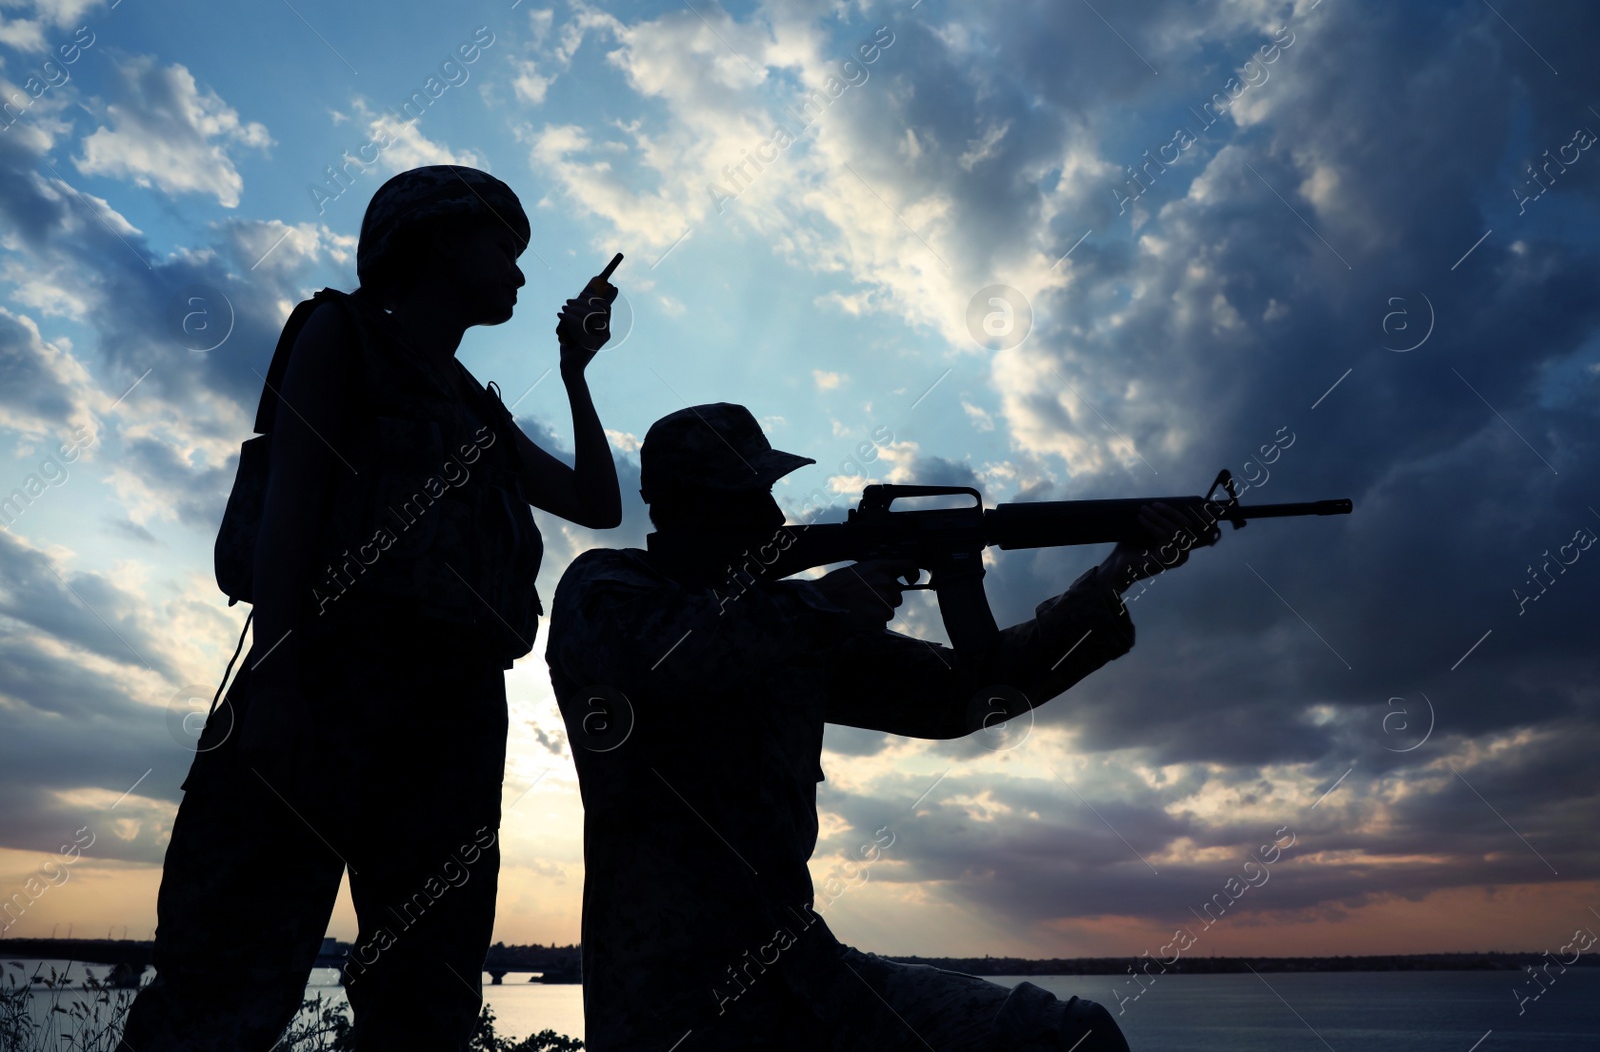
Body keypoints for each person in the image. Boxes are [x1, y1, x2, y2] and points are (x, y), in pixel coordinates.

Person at [117, 166, 622, 1052]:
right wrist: (274, 680)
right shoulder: (338, 332)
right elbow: (291, 507)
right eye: (503, 246)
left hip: (455, 712)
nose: (519, 272)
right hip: (326, 679)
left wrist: (574, 372)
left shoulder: (477, 408)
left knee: (428, 994)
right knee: (223, 978)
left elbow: (594, 500)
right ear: (435, 239)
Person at [545, 403, 1217, 1051]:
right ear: (687, 507)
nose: (774, 515)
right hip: (672, 999)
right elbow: (655, 657)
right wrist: (819, 605)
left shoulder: (790, 621)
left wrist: (1114, 575)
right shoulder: (605, 587)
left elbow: (966, 693)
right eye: (750, 496)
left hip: (802, 970)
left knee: (1069, 1034)